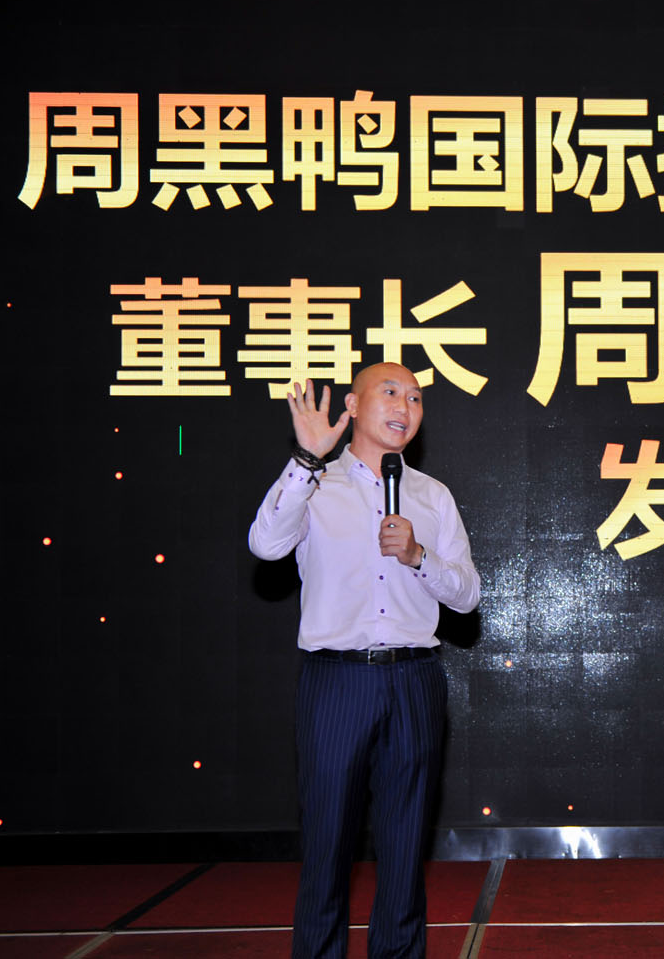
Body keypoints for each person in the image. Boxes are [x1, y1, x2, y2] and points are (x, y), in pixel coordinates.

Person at [248, 362, 481, 959]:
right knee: (327, 846)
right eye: (391, 392)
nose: (406, 406)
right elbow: (265, 545)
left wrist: (418, 555)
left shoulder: (432, 495)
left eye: (416, 398)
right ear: (352, 405)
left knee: (404, 849)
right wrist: (306, 459)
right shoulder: (315, 484)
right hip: (337, 682)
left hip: (415, 679)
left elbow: (467, 595)